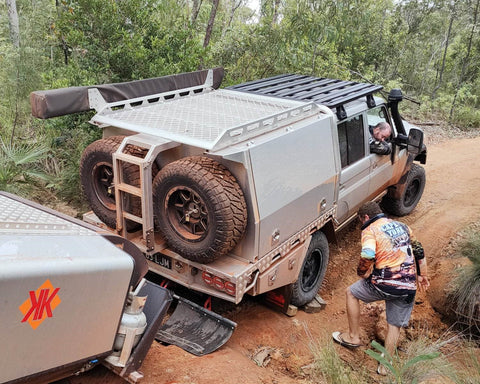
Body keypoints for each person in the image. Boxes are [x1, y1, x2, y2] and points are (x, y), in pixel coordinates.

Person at [332, 201, 430, 375]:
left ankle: (353, 337)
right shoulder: (402, 226)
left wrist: (362, 272)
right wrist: (423, 275)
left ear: (366, 217)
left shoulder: (370, 230)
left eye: (361, 221)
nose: (361, 224)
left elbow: (368, 253)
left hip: (385, 282)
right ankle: (386, 365)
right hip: (408, 286)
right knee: (394, 325)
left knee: (351, 293)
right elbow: (419, 249)